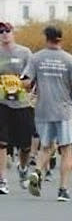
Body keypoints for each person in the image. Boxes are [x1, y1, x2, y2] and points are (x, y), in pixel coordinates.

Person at [21, 26, 72, 201]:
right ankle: (63, 189)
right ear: (60, 39)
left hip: (43, 109)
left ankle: (38, 170)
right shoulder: (69, 60)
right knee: (66, 149)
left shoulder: (36, 58)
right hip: (64, 110)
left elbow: (26, 82)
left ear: (46, 38)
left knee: (45, 146)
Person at [0, 21, 35, 194]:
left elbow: (30, 80)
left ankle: (22, 168)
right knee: (1, 142)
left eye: (7, 30)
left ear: (13, 32)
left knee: (25, 145)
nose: (4, 34)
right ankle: (2, 180)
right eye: (0, 31)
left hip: (22, 103)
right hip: (2, 103)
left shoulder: (24, 52)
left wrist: (18, 83)